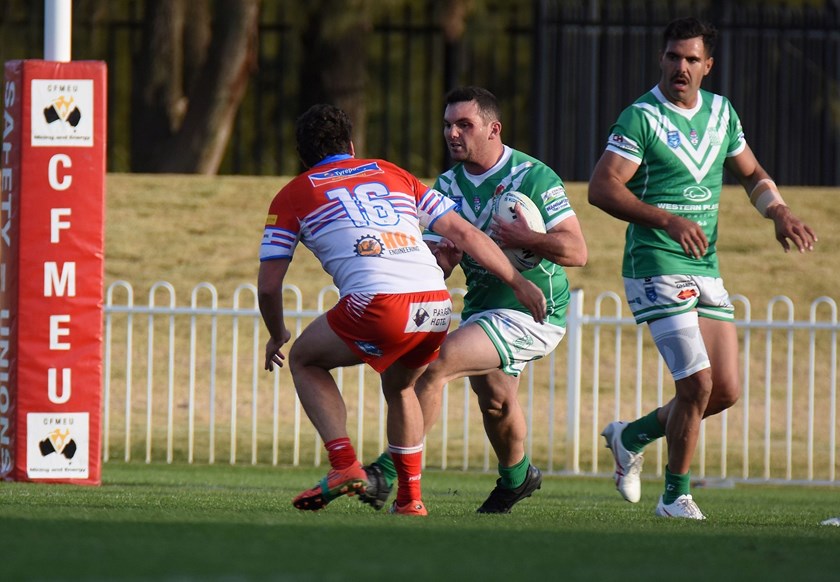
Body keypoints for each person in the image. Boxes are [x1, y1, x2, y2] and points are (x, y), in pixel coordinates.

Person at [258, 103, 547, 516]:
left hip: (380, 304)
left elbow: (269, 286)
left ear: (302, 158)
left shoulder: (294, 193)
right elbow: (463, 232)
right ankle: (410, 500)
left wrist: (276, 333)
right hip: (435, 303)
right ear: (352, 146)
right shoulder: (391, 173)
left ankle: (343, 465)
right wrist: (517, 281)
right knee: (402, 387)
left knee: (304, 359)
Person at [588, 17, 817, 519]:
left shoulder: (721, 113)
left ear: (707, 66)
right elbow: (602, 188)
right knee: (696, 386)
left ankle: (632, 435)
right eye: (673, 56)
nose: (681, 66)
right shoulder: (640, 118)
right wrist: (667, 221)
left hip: (705, 265)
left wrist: (778, 211)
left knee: (725, 390)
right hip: (654, 263)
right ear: (662, 59)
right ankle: (674, 497)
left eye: (692, 59)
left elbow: (752, 171)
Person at [359, 86, 588, 514]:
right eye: (448, 125)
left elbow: (577, 252)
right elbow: (437, 260)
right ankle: (518, 478)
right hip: (483, 309)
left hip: (534, 309)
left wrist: (528, 239)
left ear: (493, 129)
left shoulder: (534, 177)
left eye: (464, 124)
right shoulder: (446, 185)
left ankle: (388, 473)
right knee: (497, 401)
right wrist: (438, 258)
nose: (453, 133)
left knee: (434, 366)